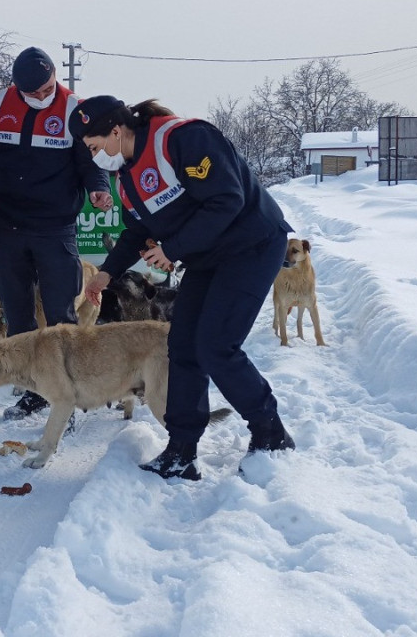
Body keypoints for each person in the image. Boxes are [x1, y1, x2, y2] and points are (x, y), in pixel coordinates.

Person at [69, 96, 296, 481]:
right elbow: (137, 230)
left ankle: (270, 432)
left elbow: (227, 199)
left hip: (251, 245)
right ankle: (181, 449)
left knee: (216, 346)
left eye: (94, 147)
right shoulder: (126, 176)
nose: (94, 158)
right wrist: (106, 274)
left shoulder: (183, 140)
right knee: (184, 346)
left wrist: (171, 248)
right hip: (208, 256)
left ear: (115, 131)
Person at [0, 47, 113, 419]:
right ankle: (33, 392)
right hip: (8, 225)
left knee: (62, 319)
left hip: (56, 228)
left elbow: (89, 161)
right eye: (36, 93)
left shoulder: (74, 109)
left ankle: (70, 399)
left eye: (49, 88)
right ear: (17, 87)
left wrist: (100, 187)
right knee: (18, 317)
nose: (45, 97)